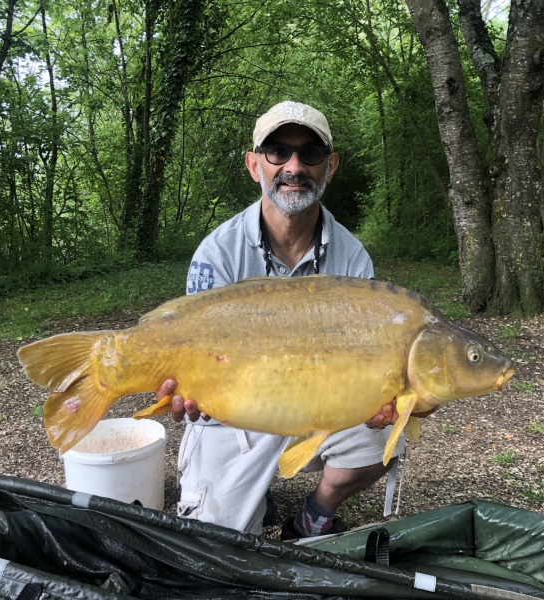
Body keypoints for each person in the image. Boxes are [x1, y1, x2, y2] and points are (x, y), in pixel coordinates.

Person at [153, 101, 434, 539]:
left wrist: (395, 397)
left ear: (330, 166)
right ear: (254, 165)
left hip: (318, 402)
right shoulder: (217, 252)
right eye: (278, 152)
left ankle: (314, 514)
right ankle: (249, 488)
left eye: (311, 154)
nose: (295, 166)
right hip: (237, 411)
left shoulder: (351, 258)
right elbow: (193, 350)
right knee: (216, 539)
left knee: (382, 441)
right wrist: (186, 387)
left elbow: (369, 359)